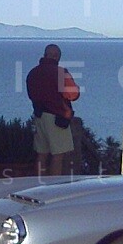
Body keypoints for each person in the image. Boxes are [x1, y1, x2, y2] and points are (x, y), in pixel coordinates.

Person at [26, 44, 81, 177]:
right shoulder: (60, 73)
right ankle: (54, 185)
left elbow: (31, 94)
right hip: (57, 117)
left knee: (42, 154)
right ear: (57, 57)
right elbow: (73, 95)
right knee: (58, 155)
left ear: (45, 55)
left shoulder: (33, 73)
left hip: (39, 116)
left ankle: (39, 182)